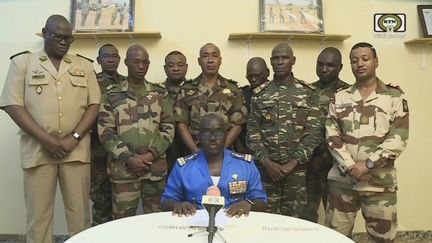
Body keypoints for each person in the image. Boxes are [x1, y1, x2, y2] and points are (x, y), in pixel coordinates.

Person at [0, 15, 100, 242]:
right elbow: (12, 104)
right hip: (38, 149)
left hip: (75, 150)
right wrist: (47, 140)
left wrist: (74, 137)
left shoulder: (84, 65)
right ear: (45, 33)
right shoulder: (22, 63)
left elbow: (94, 104)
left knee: (80, 216)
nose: (64, 42)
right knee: (39, 217)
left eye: (69, 38)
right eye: (58, 37)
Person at [325, 42, 409, 242]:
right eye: (354, 60)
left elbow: (398, 137)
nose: (359, 64)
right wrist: (350, 165)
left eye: (365, 59)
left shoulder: (393, 96)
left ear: (376, 62)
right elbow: (331, 134)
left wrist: (368, 164)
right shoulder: (340, 96)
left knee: (382, 239)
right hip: (342, 182)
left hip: (379, 184)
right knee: (334, 238)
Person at [98, 44, 174, 219]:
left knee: (157, 222)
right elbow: (106, 131)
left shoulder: (160, 93)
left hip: (154, 171)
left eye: (145, 62)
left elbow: (168, 128)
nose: (141, 67)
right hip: (124, 170)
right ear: (126, 63)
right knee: (122, 224)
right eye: (136, 62)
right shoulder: (111, 94)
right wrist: (129, 158)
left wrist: (149, 156)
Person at [246, 43, 321, 218]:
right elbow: (252, 133)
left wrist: (292, 164)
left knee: (295, 223)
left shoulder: (308, 93)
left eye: (284, 58)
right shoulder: (260, 94)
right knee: (264, 219)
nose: (280, 62)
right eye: (275, 58)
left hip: (297, 172)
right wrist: (267, 162)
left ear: (293, 61)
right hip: (266, 171)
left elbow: (313, 133)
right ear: (270, 62)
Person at [161, 113, 267, 217]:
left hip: (235, 226)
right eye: (207, 132)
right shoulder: (183, 167)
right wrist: (177, 205)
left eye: (219, 132)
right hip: (195, 225)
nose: (212, 137)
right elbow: (166, 201)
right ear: (199, 136)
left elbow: (261, 201)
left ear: (226, 136)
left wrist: (249, 204)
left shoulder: (246, 165)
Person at [300, 47, 350, 223]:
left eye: (330, 65)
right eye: (320, 64)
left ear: (340, 67)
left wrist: (326, 156)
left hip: (336, 166)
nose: (324, 69)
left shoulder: (348, 94)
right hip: (308, 165)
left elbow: (350, 132)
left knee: (337, 218)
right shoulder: (306, 91)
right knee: (304, 216)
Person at [175, 43, 247, 154]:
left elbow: (238, 124)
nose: (210, 60)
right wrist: (195, 150)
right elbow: (181, 123)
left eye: (214, 56)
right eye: (205, 56)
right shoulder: (186, 89)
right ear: (199, 61)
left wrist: (221, 151)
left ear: (220, 60)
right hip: (194, 152)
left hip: (225, 153)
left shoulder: (233, 90)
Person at [90, 44, 127, 225]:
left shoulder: (128, 82)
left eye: (114, 56)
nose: (111, 60)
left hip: (124, 150)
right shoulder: (91, 82)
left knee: (123, 200)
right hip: (99, 152)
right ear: (99, 60)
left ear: (120, 59)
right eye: (106, 56)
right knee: (101, 200)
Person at [235, 57, 270, 154]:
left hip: (272, 152)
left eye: (258, 75)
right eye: (250, 77)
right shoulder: (242, 95)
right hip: (246, 151)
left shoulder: (278, 93)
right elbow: (235, 124)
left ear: (267, 72)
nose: (254, 80)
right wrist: (240, 148)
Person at [163, 51, 189, 171]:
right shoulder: (156, 92)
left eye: (180, 65)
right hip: (165, 148)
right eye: (171, 65)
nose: (176, 68)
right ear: (165, 68)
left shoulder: (195, 90)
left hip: (190, 145)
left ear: (186, 67)